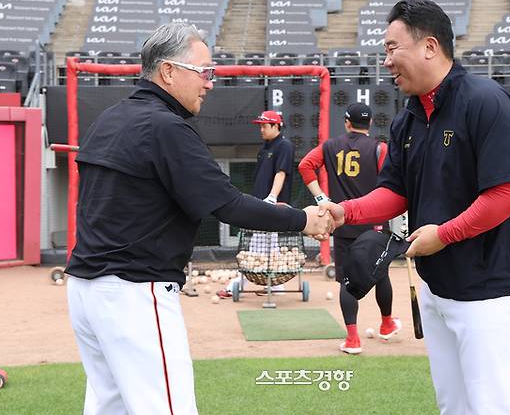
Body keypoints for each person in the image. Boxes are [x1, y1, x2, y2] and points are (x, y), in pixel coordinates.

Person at [65, 23, 332, 415]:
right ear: (168, 71)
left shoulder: (109, 119)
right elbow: (228, 205)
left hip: (86, 292)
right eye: (204, 71)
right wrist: (302, 220)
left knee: (111, 407)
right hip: (135, 292)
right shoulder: (166, 127)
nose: (210, 83)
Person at [319, 0, 510, 414]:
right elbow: (396, 192)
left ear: (430, 47)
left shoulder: (485, 101)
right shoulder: (409, 118)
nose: (386, 61)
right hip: (437, 284)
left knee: (487, 407)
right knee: (452, 406)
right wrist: (345, 212)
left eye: (391, 48)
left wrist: (445, 234)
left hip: (490, 286)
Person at [298, 102, 401, 354]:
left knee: (346, 281)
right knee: (382, 274)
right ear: (370, 123)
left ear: (346, 122)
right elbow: (392, 184)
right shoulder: (380, 148)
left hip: (341, 221)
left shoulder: (330, 146)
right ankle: (386, 324)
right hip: (374, 222)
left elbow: (305, 166)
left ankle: (353, 339)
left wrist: (322, 199)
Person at [217, 110, 294, 298]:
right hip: (261, 202)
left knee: (255, 248)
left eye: (264, 125)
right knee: (268, 247)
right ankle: (275, 286)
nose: (261, 129)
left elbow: (281, 172)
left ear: (276, 126)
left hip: (270, 204)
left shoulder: (284, 145)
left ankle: (238, 285)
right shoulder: (266, 147)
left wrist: (272, 197)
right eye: (260, 125)